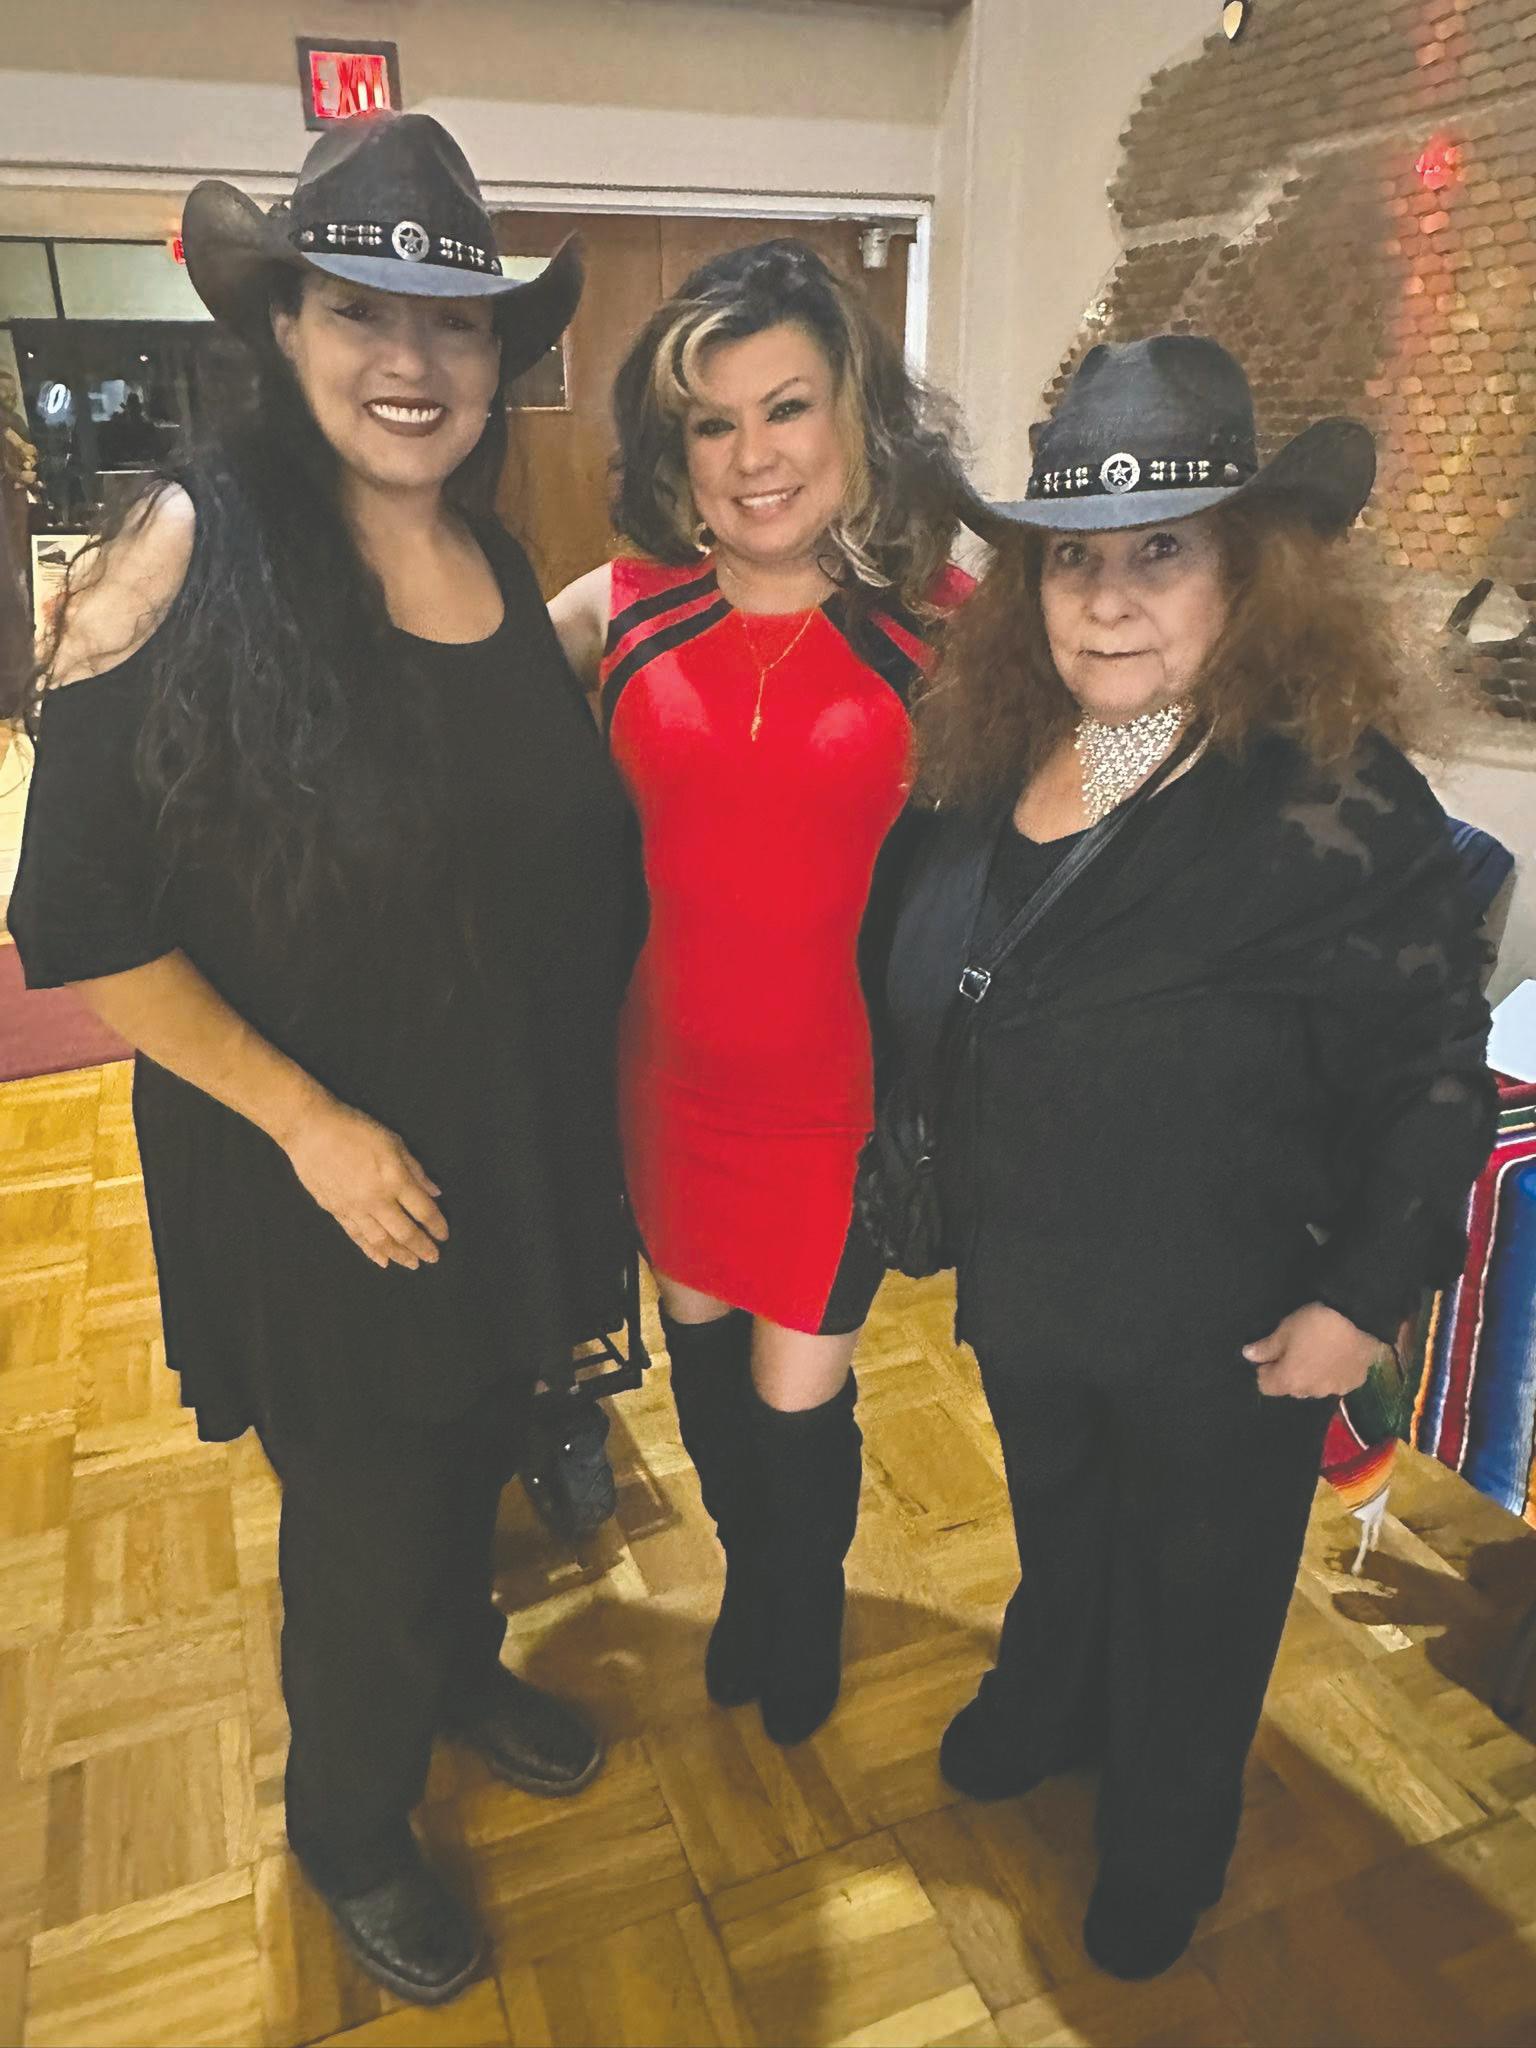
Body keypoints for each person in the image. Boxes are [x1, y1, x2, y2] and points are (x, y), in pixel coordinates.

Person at [6, 114, 639, 2007]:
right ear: (281, 328)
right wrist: (310, 1124)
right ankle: (351, 1826)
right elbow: (79, 921)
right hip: (307, 1162)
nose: (410, 358)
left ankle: (457, 1677)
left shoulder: (488, 554)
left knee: (468, 1451)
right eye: (360, 309)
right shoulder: (191, 550)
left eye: (453, 322)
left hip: (488, 1136)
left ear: (496, 358)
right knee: (364, 1513)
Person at [886, 336, 1496, 1980]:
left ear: (1249, 569)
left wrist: (1361, 1301)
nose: (1106, 600)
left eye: (1160, 551)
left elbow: (1434, 1069)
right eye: (1070, 558)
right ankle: (1055, 1699)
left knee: (1202, 1590)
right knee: (1067, 1532)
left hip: (1229, 1319)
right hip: (1036, 1287)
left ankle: (1168, 1833)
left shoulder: (1334, 798)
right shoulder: (999, 753)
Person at [551, 240, 972, 1746]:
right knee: (711, 1379)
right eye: (712, 424)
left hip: (840, 1110)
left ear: (856, 416)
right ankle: (752, 1579)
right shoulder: (622, 609)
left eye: (786, 408)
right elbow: (443, 701)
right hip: (666, 1086)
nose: (753, 457)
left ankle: (801, 1604)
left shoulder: (944, 626)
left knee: (802, 1399)